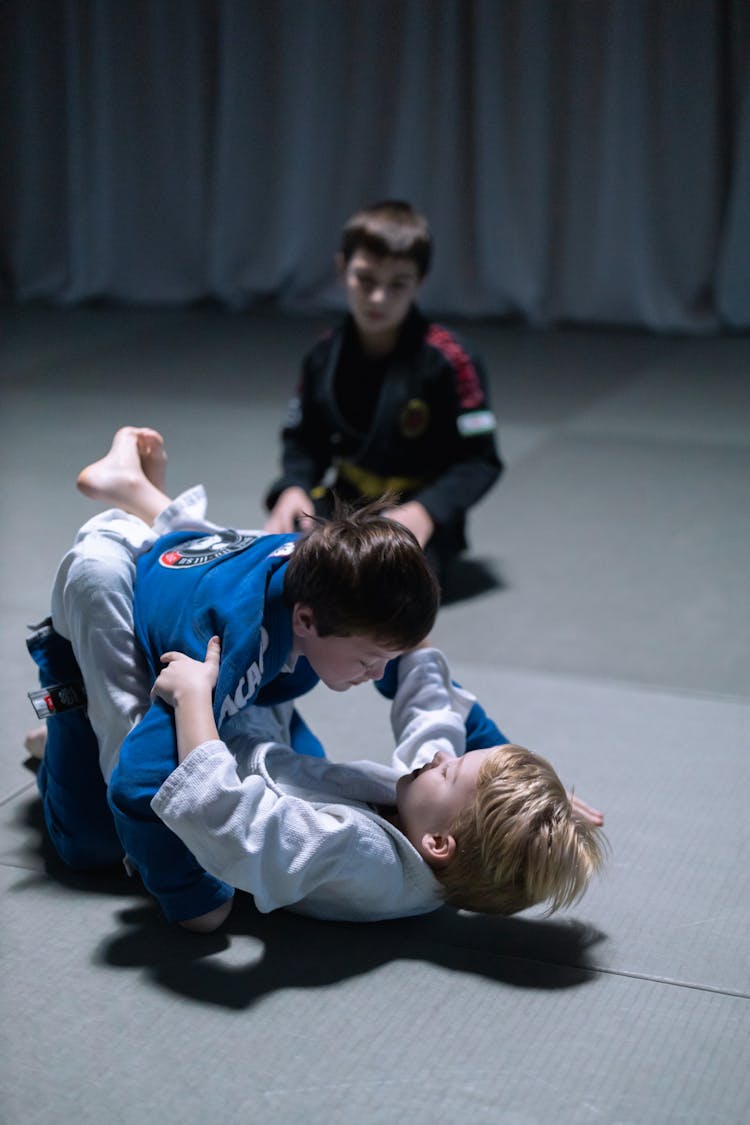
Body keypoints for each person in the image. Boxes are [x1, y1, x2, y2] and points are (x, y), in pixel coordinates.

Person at [27, 426, 440, 932]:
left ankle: (138, 492)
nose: (379, 673)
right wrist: (191, 896)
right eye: (368, 661)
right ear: (306, 622)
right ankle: (71, 720)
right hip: (114, 575)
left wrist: (505, 768)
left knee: (291, 764)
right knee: (98, 837)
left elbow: (424, 679)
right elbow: (138, 779)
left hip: (203, 565)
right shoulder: (230, 650)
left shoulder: (330, 570)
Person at [263, 200, 503, 584]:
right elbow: (304, 441)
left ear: (420, 282)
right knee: (280, 565)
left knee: (380, 588)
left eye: (397, 285)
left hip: (419, 511)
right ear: (342, 270)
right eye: (366, 279)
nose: (378, 298)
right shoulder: (323, 357)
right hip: (346, 503)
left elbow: (481, 462)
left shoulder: (451, 360)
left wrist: (425, 511)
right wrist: (295, 486)